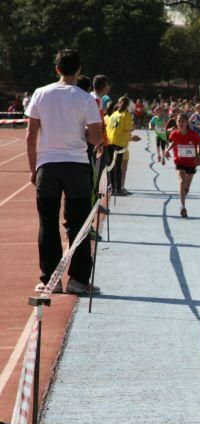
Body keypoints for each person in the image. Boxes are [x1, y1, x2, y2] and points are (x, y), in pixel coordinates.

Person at [25, 49, 103, 295]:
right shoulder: (85, 98)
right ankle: (78, 280)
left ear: (57, 69)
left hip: (47, 166)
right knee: (78, 224)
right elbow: (97, 136)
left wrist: (33, 168)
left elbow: (31, 135)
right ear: (79, 70)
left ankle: (51, 280)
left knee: (47, 223)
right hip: (77, 166)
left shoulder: (40, 93)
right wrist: (84, 135)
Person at [166, 113, 200, 218]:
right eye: (179, 121)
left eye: (182, 121)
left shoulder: (193, 134)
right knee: (181, 181)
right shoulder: (174, 134)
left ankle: (183, 196)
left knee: (186, 188)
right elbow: (174, 142)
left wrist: (198, 156)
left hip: (191, 162)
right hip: (180, 160)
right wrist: (167, 150)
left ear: (187, 122)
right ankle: (182, 207)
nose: (180, 123)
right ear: (176, 123)